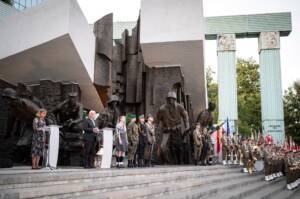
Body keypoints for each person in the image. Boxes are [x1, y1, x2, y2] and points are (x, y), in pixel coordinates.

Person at [156, 91, 189, 165]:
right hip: (167, 130)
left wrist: (187, 126)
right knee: (162, 147)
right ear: (167, 100)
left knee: (180, 147)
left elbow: (185, 116)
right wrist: (152, 131)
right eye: (169, 99)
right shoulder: (162, 109)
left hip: (177, 130)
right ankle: (166, 161)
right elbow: (156, 122)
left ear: (175, 100)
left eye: (173, 99)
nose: (171, 101)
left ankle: (180, 160)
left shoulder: (180, 107)